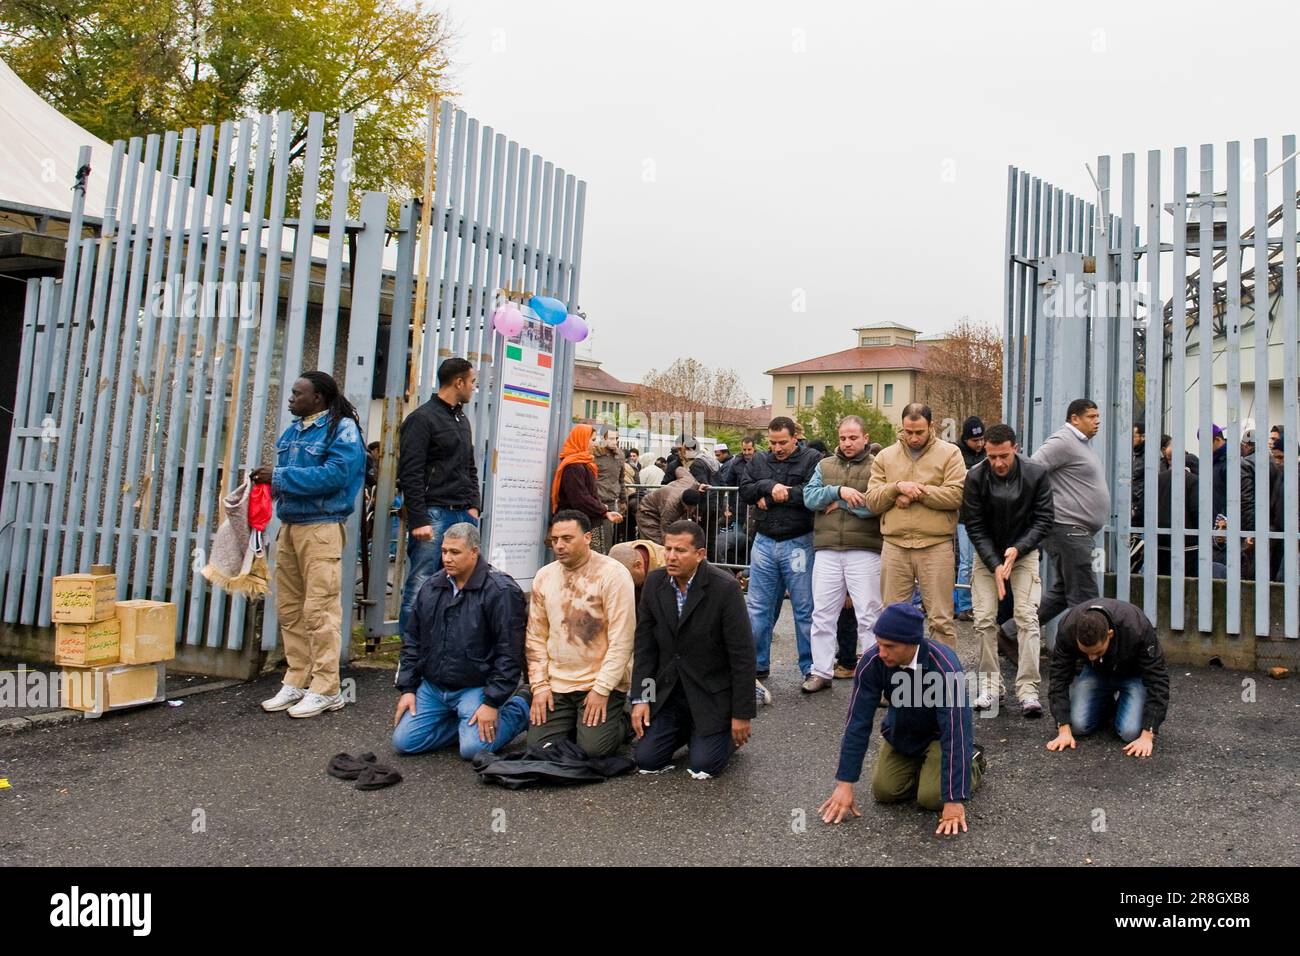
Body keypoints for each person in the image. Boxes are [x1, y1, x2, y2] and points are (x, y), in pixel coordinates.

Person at [255, 371, 368, 718]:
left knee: (319, 611)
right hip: (289, 527)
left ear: (318, 397)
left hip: (321, 529)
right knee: (290, 609)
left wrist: (278, 477)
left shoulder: (342, 429)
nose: (290, 399)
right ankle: (297, 679)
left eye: (297, 393)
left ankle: (327, 688)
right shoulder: (294, 430)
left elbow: (336, 475)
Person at [818, 603, 984, 836]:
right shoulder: (872, 661)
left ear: (912, 644)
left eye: (889, 646)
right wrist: (844, 783)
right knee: (884, 791)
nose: (881, 651)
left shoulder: (945, 667)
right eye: (879, 643)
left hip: (938, 737)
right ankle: (928, 771)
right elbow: (858, 722)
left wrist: (954, 799)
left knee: (932, 798)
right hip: (902, 734)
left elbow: (956, 730)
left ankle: (973, 763)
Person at [392, 524, 531, 759]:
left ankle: (520, 708)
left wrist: (492, 701)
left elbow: (509, 652)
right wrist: (408, 688)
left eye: (455, 552)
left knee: (473, 749)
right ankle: (464, 723)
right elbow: (412, 640)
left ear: (474, 552)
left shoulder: (501, 590)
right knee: (404, 742)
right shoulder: (432, 586)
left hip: (476, 686)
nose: (447, 558)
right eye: (444, 551)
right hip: (435, 687)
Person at [631, 520, 757, 778]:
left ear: (700, 554)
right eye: (667, 549)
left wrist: (742, 714)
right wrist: (642, 698)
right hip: (670, 694)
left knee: (703, 766)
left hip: (711, 694)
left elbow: (742, 656)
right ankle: (687, 731)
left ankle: (720, 736)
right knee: (645, 760)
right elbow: (646, 647)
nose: (671, 557)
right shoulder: (655, 584)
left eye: (680, 550)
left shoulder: (725, 588)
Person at [961, 423, 1054, 716]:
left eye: (1004, 455)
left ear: (1015, 448)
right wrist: (995, 564)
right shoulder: (975, 477)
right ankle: (990, 688)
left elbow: (1044, 519)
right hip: (987, 555)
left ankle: (1028, 690)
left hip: (1023, 553)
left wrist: (1019, 549)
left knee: (1027, 617)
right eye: (992, 457)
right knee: (984, 619)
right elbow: (974, 526)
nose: (998, 463)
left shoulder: (1036, 474)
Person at [526, 510, 636, 757]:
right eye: (555, 540)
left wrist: (602, 689)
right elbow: (535, 637)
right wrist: (539, 686)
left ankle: (623, 718)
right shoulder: (544, 576)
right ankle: (579, 724)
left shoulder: (613, 574)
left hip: (600, 682)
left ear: (587, 537)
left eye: (567, 538)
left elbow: (623, 640)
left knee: (593, 751)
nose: (559, 546)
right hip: (558, 683)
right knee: (537, 749)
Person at [865, 403, 967, 650]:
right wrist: (896, 487)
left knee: (941, 620)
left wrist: (917, 492)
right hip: (895, 546)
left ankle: (943, 681)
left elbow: (957, 495)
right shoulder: (885, 456)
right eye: (908, 431)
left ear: (931, 426)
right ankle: (896, 682)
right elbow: (872, 501)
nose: (913, 437)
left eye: (919, 431)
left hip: (935, 545)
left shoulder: (950, 453)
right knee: (892, 618)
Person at [739, 416, 823, 697]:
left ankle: (811, 667)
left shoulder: (812, 458)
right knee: (758, 607)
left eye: (783, 443)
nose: (777, 448)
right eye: (773, 442)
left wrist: (773, 495)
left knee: (804, 608)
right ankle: (756, 664)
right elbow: (745, 489)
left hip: (798, 541)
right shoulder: (759, 460)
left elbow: (812, 493)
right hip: (764, 542)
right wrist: (766, 487)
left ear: (795, 438)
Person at [396, 357, 481, 634]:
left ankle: (446, 644)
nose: (473, 388)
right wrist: (419, 518)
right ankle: (411, 655)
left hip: (462, 513)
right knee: (422, 582)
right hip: (434, 514)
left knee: (461, 584)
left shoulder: (461, 418)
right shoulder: (421, 419)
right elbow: (410, 472)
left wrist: (474, 506)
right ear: (458, 382)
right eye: (472, 382)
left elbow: (469, 465)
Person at [800, 415, 882, 693]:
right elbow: (809, 499)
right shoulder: (824, 465)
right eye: (843, 438)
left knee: (869, 615)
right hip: (827, 550)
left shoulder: (877, 466)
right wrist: (840, 491)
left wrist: (840, 503)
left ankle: (872, 675)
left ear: (865, 438)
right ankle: (820, 671)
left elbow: (876, 504)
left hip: (865, 550)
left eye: (853, 437)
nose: (847, 443)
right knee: (822, 614)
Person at [1046, 599, 1170, 758]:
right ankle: (1106, 705)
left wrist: (1148, 734)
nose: (1091, 656)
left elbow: (1158, 679)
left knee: (1130, 732)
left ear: (1110, 634)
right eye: (1086, 652)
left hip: (1133, 675)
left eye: (1097, 652)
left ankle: (1124, 704)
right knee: (1076, 726)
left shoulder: (1137, 627)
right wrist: (1063, 728)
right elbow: (1058, 676)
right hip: (1095, 673)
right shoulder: (1067, 628)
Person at [1029, 398, 1108, 629]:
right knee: (1085, 598)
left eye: (1097, 416)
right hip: (1068, 529)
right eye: (1091, 417)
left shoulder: (1080, 444)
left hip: (1073, 530)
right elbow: (1032, 470)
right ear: (1074, 418)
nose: (1097, 421)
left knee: (1064, 593)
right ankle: (1084, 655)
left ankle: (1012, 633)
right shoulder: (1063, 441)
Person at [551, 423, 622, 536]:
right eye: (592, 440)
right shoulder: (573, 466)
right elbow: (580, 498)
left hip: (583, 522)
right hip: (575, 526)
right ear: (582, 440)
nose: (595, 444)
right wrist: (602, 509)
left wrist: (604, 511)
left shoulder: (583, 463)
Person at [952, 416, 986, 622]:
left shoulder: (987, 453)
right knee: (966, 562)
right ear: (966, 439)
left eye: (982, 439)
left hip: (982, 515)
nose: (980, 444)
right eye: (975, 440)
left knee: (978, 561)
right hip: (964, 516)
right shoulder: (956, 454)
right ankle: (965, 605)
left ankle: (978, 603)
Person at [636, 470, 703, 544]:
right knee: (657, 544)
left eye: (692, 507)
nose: (690, 510)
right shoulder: (671, 507)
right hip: (647, 512)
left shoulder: (692, 482)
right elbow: (666, 529)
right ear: (683, 502)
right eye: (688, 508)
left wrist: (699, 485)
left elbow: (679, 469)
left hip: (660, 507)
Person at [593, 428, 628, 554]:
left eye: (617, 438)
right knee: (594, 540)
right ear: (603, 438)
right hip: (595, 502)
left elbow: (621, 479)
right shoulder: (594, 454)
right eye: (611, 438)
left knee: (607, 539)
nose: (615, 442)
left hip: (612, 502)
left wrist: (623, 500)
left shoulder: (619, 455)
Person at [609, 538, 666, 606]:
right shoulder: (618, 551)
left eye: (627, 579)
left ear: (638, 565)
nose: (623, 585)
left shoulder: (667, 571)